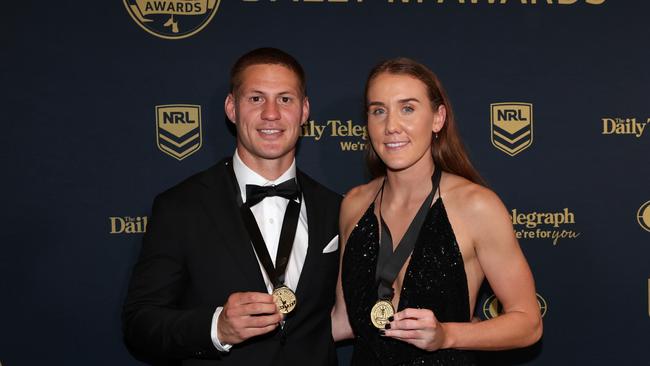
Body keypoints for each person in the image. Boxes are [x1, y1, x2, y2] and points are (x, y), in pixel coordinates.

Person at [123, 48, 341, 366]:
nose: (271, 113)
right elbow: (139, 324)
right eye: (256, 98)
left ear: (304, 110)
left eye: (285, 99)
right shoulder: (180, 206)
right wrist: (217, 328)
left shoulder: (337, 208)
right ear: (232, 108)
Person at [331, 58, 542, 365]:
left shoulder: (476, 206)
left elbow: (528, 323)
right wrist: (260, 333)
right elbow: (343, 319)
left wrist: (447, 335)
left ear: (438, 118)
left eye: (408, 108)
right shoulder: (354, 203)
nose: (391, 126)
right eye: (379, 110)